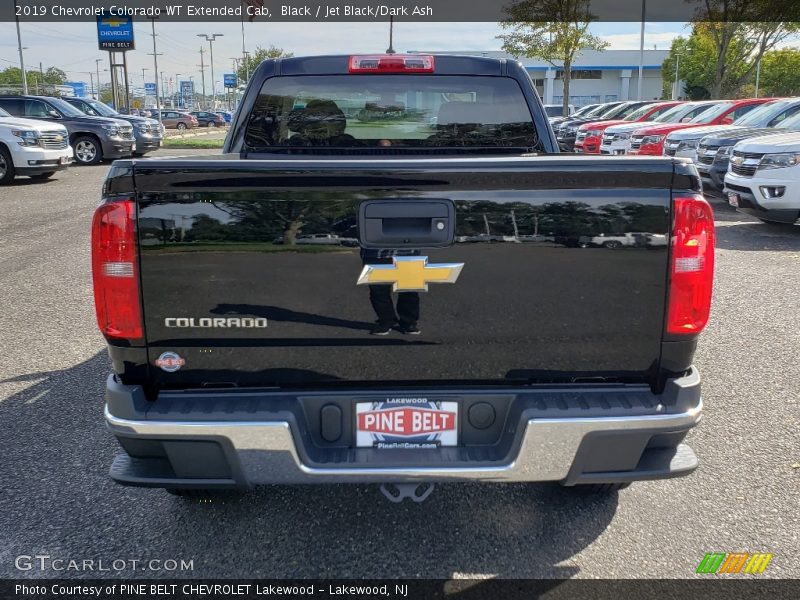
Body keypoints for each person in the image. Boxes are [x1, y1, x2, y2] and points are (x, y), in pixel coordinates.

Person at [360, 248, 421, 335]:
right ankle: (386, 321)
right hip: (375, 253)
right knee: (378, 291)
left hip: (407, 252)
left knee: (409, 290)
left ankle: (408, 322)